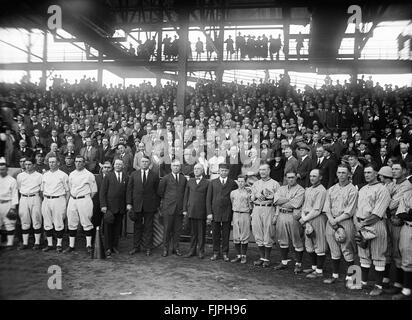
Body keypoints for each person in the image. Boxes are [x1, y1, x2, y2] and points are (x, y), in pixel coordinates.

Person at [349, 163, 391, 296]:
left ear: (376, 173)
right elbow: (355, 209)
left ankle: (378, 286)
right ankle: (362, 282)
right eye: (365, 172)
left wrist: (362, 224)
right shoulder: (362, 189)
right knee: (363, 255)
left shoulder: (382, 189)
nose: (366, 175)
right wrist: (356, 222)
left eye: (369, 172)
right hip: (361, 224)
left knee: (378, 255)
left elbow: (378, 212)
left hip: (375, 224)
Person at [322, 164, 358, 284]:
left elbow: (350, 210)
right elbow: (326, 207)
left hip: (345, 222)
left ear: (349, 174)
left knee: (347, 249)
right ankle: (335, 275)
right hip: (331, 221)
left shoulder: (352, 189)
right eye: (339, 172)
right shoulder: (331, 189)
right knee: (334, 249)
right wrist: (331, 219)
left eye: (343, 172)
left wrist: (335, 220)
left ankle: (352, 279)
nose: (341, 175)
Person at [383, 160, 412, 294]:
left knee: (398, 251)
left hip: (398, 221)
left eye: (397, 169)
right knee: (387, 248)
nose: (393, 171)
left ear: (404, 171)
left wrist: (386, 200)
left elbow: (391, 205)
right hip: (388, 218)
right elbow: (383, 199)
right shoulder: (392, 183)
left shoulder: (407, 185)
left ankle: (399, 284)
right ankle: (386, 280)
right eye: (392, 169)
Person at [127, 156, 160, 256]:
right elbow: (129, 190)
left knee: (148, 227)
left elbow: (157, 192)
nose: (144, 163)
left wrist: (156, 205)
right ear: (140, 163)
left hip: (150, 206)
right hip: (137, 205)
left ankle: (148, 248)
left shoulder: (154, 175)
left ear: (149, 163)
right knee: (137, 227)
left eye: (146, 162)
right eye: (142, 161)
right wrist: (129, 203)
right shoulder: (134, 174)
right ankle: (136, 247)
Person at [273, 170, 305, 273]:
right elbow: (276, 201)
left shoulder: (300, 190)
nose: (290, 179)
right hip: (281, 215)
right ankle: (284, 262)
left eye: (292, 177)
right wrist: (289, 199)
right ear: (286, 178)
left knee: (297, 240)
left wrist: (283, 201)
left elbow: (295, 204)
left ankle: (298, 264)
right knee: (282, 240)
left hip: (293, 216)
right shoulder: (281, 188)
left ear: (296, 178)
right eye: (289, 177)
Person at [65, 155, 98, 254]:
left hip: (84, 199)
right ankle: (71, 245)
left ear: (84, 163)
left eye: (80, 161)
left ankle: (88, 245)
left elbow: (94, 191)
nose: (78, 163)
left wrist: (85, 198)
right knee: (71, 222)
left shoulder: (89, 175)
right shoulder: (71, 174)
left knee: (86, 222)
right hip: (73, 199)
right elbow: (70, 188)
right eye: (76, 161)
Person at [206, 163, 238, 261]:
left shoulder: (232, 183)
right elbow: (208, 198)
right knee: (215, 233)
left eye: (225, 170)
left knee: (226, 233)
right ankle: (216, 252)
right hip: (215, 212)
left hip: (227, 211)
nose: (223, 172)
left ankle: (225, 253)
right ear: (219, 171)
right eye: (222, 170)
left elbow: (235, 198)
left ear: (228, 172)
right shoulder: (213, 182)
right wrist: (209, 213)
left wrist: (232, 213)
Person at [250, 164, 280, 267]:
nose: (262, 172)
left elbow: (278, 201)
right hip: (257, 208)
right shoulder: (256, 183)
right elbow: (252, 198)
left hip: (268, 208)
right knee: (258, 232)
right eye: (260, 170)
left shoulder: (275, 184)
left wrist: (276, 215)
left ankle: (267, 259)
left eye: (264, 170)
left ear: (269, 171)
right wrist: (256, 195)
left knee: (268, 232)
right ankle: (261, 258)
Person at [299, 169, 327, 279]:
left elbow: (317, 210)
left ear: (320, 177)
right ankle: (314, 267)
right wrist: (303, 217)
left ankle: (319, 271)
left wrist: (304, 219)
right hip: (307, 218)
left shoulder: (322, 190)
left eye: (314, 176)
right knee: (309, 244)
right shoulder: (309, 189)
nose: (311, 178)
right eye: (310, 176)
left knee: (319, 243)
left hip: (317, 218)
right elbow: (304, 206)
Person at [158, 159, 187, 257]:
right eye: (174, 165)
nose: (176, 167)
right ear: (171, 167)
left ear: (180, 167)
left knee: (177, 230)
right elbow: (160, 192)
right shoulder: (165, 178)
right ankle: (165, 249)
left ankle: (176, 248)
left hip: (179, 209)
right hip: (168, 208)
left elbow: (185, 194)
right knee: (167, 229)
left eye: (178, 166)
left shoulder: (183, 179)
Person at [41, 156, 70, 253]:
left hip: (58, 199)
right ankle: (49, 244)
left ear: (58, 163)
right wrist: (45, 200)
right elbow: (42, 190)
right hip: (47, 199)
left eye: (53, 162)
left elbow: (68, 191)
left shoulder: (63, 175)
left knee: (58, 223)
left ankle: (59, 244)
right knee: (47, 223)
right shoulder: (45, 175)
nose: (51, 164)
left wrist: (65, 204)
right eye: (50, 162)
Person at [100, 159, 128, 257]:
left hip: (120, 207)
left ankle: (114, 246)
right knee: (108, 229)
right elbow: (102, 192)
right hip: (109, 208)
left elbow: (127, 192)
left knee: (117, 229)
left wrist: (127, 204)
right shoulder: (108, 176)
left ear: (123, 166)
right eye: (116, 164)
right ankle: (107, 248)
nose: (118, 166)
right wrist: (103, 205)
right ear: (113, 165)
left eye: (120, 164)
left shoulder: (126, 176)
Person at [182, 163, 209, 259]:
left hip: (202, 211)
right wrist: (185, 209)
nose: (196, 170)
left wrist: (208, 212)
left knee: (201, 233)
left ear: (202, 170)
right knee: (193, 233)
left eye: (198, 169)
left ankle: (201, 251)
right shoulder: (190, 181)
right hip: (191, 211)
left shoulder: (207, 182)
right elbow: (186, 196)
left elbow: (208, 199)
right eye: (195, 169)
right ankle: (192, 251)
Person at [16, 157, 43, 250]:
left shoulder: (39, 176)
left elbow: (41, 189)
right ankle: (25, 243)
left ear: (34, 165)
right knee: (24, 220)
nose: (27, 166)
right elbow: (19, 188)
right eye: (26, 164)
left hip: (35, 197)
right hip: (23, 198)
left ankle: (37, 242)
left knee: (36, 219)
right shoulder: (20, 176)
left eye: (29, 164)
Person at [392, 187, 412, 299]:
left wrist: (408, 211)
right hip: (408, 227)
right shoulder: (408, 193)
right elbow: (401, 213)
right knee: (404, 256)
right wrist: (409, 213)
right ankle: (404, 289)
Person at [230, 175, 252, 264]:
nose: (240, 183)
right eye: (239, 181)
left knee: (244, 235)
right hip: (236, 213)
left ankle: (244, 256)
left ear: (245, 182)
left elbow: (251, 206)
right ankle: (238, 255)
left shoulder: (248, 193)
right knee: (236, 235)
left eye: (242, 181)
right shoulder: (233, 192)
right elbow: (232, 202)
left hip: (245, 214)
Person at [0, 161, 19, 250]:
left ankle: (10, 243)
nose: (1, 171)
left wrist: (13, 207)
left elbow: (15, 194)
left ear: (7, 170)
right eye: (0, 169)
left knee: (9, 223)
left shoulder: (12, 180)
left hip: (8, 203)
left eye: (3, 169)